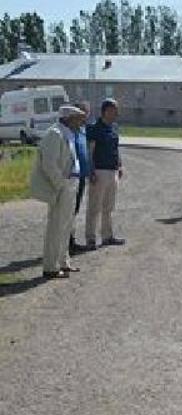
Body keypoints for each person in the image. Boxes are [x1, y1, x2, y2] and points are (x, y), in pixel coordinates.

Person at [29, 105, 87, 279]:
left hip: (71, 184)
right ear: (67, 118)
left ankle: (63, 261)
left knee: (67, 226)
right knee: (56, 227)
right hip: (62, 186)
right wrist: (61, 184)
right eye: (78, 117)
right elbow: (49, 164)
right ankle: (50, 267)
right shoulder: (55, 134)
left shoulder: (68, 133)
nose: (81, 121)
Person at [85, 98, 126, 248]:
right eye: (114, 110)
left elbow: (116, 149)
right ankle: (90, 238)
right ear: (106, 111)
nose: (117, 113)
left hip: (112, 170)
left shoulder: (114, 128)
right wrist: (91, 170)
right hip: (99, 171)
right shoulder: (95, 128)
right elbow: (90, 151)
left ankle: (107, 236)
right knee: (94, 206)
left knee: (109, 206)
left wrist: (120, 165)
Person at [69, 101, 94, 254]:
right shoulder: (71, 130)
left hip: (82, 177)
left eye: (87, 112)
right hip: (72, 176)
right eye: (83, 111)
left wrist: (90, 170)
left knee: (75, 209)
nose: (85, 115)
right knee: (69, 210)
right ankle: (67, 242)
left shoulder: (84, 129)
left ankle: (70, 240)